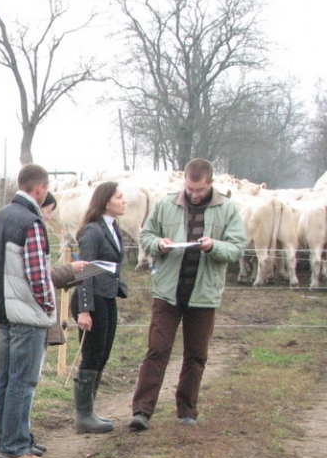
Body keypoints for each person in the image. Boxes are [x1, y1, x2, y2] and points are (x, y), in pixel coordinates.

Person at [129, 158, 246, 430]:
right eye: (190, 188)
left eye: (199, 190)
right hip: (167, 292)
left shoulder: (228, 209)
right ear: (184, 182)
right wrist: (158, 243)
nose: (194, 194)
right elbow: (146, 235)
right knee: (157, 349)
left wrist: (213, 246)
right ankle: (141, 412)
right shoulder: (166, 204)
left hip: (203, 295)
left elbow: (237, 248)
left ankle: (187, 411)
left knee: (196, 354)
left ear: (210, 184)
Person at [0, 164, 56, 458]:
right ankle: (15, 446)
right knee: (23, 381)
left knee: (5, 378)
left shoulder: (0, 216)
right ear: (39, 188)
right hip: (26, 312)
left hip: (2, 308)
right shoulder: (31, 221)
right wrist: (48, 306)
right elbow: (38, 274)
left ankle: (4, 438)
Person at [70, 182, 129, 434]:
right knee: (92, 355)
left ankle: (90, 411)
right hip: (91, 299)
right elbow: (85, 270)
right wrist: (84, 309)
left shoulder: (114, 228)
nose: (124, 200)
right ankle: (83, 416)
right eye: (119, 196)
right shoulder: (92, 232)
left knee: (102, 355)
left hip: (107, 297)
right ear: (106, 201)